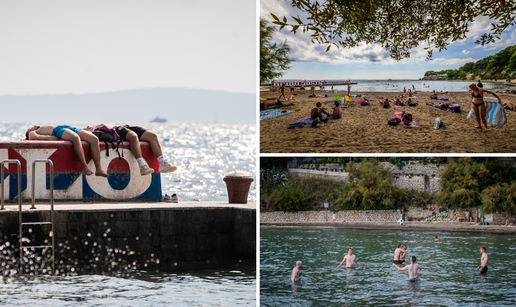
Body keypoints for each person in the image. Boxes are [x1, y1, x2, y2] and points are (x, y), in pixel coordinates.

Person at [86, 124, 177, 176]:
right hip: (114, 130)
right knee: (133, 137)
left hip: (122, 126)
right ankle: (142, 166)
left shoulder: (97, 126)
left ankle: (162, 163)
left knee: (152, 136)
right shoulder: (88, 131)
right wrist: (88, 130)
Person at [25, 125, 108, 177]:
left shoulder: (41, 127)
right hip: (57, 130)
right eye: (30, 128)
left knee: (94, 139)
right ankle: (85, 167)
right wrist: (47, 137)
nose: (34, 126)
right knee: (76, 138)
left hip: (68, 127)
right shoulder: (34, 131)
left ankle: (99, 169)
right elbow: (32, 136)